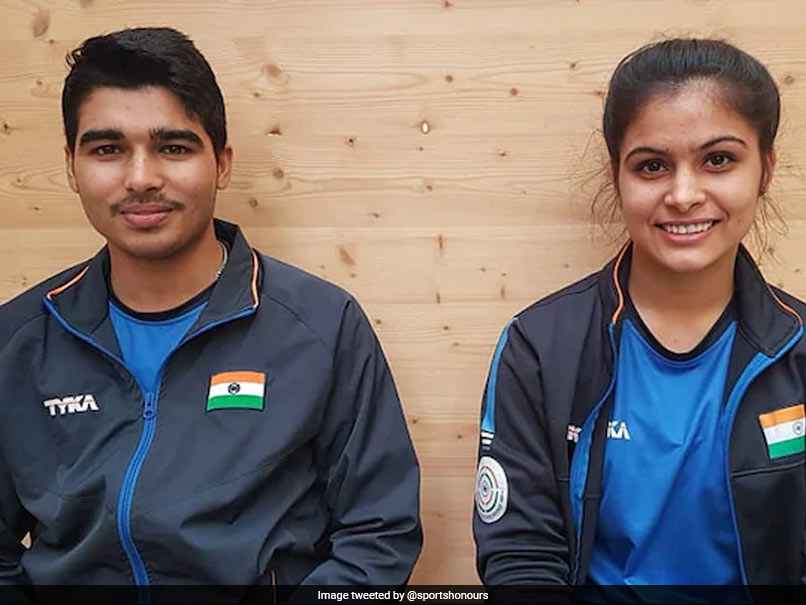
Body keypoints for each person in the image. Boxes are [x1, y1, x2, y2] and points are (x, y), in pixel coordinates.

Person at [0, 27, 421, 596]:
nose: (141, 178)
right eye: (107, 149)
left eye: (173, 147)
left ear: (221, 163)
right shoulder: (18, 338)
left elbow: (381, 532)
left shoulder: (320, 325)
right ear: (72, 166)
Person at [473, 38, 806, 598]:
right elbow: (521, 557)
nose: (683, 194)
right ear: (617, 176)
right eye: (652, 166)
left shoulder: (798, 349)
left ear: (765, 169)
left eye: (718, 160)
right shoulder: (540, 347)